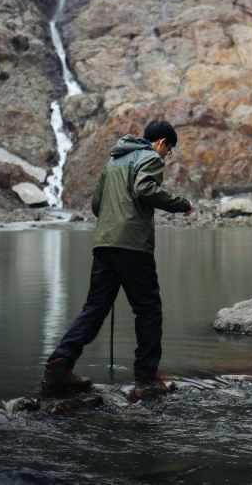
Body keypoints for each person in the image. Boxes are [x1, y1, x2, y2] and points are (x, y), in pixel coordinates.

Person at [40, 119, 192, 400]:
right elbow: (145, 189)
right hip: (133, 246)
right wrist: (181, 203)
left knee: (95, 308)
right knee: (148, 310)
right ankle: (147, 379)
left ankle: (58, 367)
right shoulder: (150, 157)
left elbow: (97, 204)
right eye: (168, 149)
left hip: (104, 245)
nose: (166, 155)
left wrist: (114, 219)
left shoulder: (112, 162)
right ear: (161, 142)